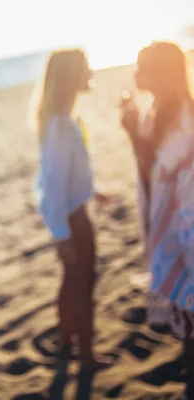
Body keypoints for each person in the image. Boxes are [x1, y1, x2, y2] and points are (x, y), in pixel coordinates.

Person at [120, 41, 194, 398]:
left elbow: (158, 170)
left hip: (186, 226)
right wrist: (134, 128)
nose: (135, 74)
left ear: (161, 74)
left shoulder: (183, 116)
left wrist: (133, 133)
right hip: (173, 222)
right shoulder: (157, 110)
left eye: (142, 67)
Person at [33, 48, 111, 372]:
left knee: (71, 282)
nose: (91, 71)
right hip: (73, 221)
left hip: (75, 214)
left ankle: (67, 342)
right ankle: (87, 356)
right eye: (85, 67)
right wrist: (61, 234)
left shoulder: (63, 120)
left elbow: (69, 176)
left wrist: (93, 191)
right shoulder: (60, 126)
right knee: (83, 284)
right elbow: (52, 185)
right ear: (70, 77)